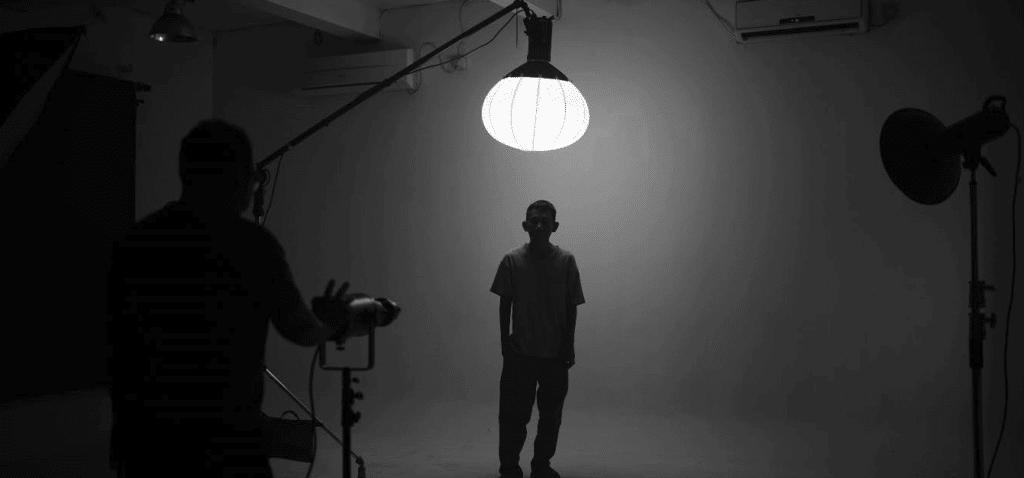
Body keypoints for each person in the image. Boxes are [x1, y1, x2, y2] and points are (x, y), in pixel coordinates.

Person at [105, 119, 379, 478]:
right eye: (251, 175)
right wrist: (336, 323)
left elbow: (114, 343)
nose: (253, 185)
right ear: (236, 177)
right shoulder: (253, 246)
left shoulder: (134, 242)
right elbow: (300, 330)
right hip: (228, 446)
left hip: (144, 443)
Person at [490, 200, 586, 478]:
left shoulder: (566, 261)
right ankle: (509, 466)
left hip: (555, 353)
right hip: (520, 351)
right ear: (525, 225)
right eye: (534, 221)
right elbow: (505, 303)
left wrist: (569, 345)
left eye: (545, 221)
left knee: (550, 416)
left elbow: (572, 306)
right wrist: (504, 342)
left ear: (555, 226)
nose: (539, 226)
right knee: (513, 415)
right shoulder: (512, 260)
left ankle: (541, 464)